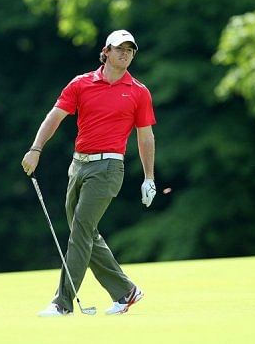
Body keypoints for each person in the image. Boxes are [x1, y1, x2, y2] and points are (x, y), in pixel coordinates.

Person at [21, 30, 157, 316]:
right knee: (84, 232)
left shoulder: (138, 91)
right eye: (120, 48)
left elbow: (145, 136)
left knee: (81, 231)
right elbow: (54, 117)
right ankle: (126, 291)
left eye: (130, 50)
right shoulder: (81, 84)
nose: (125, 54)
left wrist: (149, 177)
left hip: (109, 167)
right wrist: (36, 149)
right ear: (105, 51)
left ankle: (62, 303)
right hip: (78, 165)